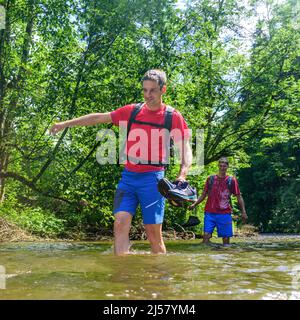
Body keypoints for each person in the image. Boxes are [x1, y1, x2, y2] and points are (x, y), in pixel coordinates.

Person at [50, 69, 192, 255]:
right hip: (128, 178)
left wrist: (182, 174)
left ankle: (160, 281)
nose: (148, 95)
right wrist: (65, 124)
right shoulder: (132, 111)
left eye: (153, 91)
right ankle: (122, 274)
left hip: (153, 180)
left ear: (163, 90)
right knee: (120, 223)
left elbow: (186, 148)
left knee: (153, 234)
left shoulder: (172, 117)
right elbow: (98, 117)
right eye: (145, 90)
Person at [189, 157, 247, 245]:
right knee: (206, 239)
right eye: (221, 166)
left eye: (224, 166)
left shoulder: (231, 180)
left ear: (227, 167)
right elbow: (204, 194)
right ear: (218, 166)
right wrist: (195, 204)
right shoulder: (210, 179)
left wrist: (243, 212)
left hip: (224, 214)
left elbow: (239, 197)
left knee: (226, 242)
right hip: (210, 213)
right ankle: (210, 255)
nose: (222, 168)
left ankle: (223, 255)